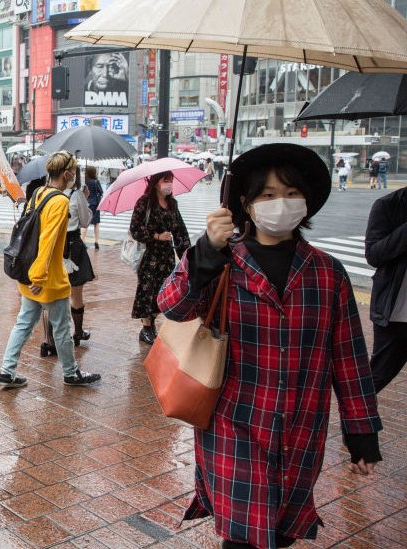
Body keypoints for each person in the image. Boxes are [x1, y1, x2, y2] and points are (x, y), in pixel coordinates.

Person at [159, 143, 381, 549]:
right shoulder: (224, 261)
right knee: (242, 536)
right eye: (268, 195)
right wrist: (207, 253)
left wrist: (362, 432)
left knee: (282, 532)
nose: (282, 203)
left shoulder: (328, 273)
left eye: (292, 194)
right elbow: (172, 306)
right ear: (245, 203)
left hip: (302, 429)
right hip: (234, 423)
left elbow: (348, 359)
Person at [0, 151, 102, 389]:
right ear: (66, 174)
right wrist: (40, 275)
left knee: (23, 323)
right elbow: (48, 240)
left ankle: (7, 369)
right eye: (73, 172)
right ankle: (71, 373)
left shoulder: (38, 193)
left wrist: (33, 274)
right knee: (62, 328)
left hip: (28, 274)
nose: (74, 176)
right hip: (47, 278)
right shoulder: (60, 201)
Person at [130, 170, 190, 345]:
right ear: (156, 182)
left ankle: (151, 323)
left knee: (163, 291)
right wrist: (156, 236)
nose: (169, 184)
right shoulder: (145, 203)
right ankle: (146, 327)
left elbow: (180, 230)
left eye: (171, 180)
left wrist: (187, 255)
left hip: (166, 257)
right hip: (149, 256)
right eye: (166, 180)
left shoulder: (173, 204)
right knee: (147, 291)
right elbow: (135, 229)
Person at [365, 183, 407, 393]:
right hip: (396, 314)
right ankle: (355, 422)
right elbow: (374, 254)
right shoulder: (388, 205)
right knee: (377, 377)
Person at [65, 168, 95, 344]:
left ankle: (51, 337)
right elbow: (85, 222)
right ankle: (77, 332)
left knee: (55, 294)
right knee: (76, 292)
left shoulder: (48, 193)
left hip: (54, 247)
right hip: (73, 247)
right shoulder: (76, 195)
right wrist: (85, 199)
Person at [80, 165, 103, 249]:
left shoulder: (85, 182)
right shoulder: (96, 182)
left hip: (87, 204)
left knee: (84, 224)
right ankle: (96, 242)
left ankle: (82, 241)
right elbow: (101, 192)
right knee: (96, 223)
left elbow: (82, 193)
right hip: (96, 204)